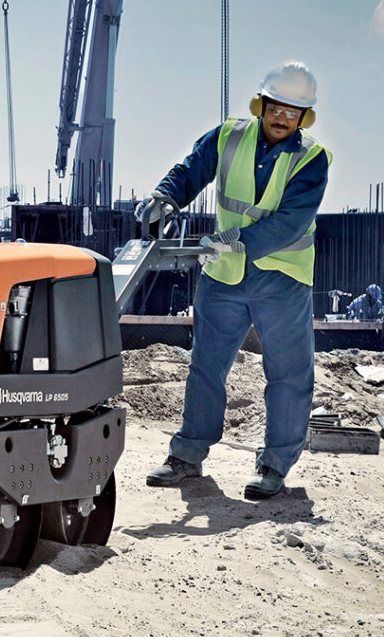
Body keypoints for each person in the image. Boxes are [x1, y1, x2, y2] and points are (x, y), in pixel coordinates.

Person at [136, 61, 331, 498]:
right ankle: (187, 455)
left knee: (288, 374)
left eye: (293, 112)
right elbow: (191, 170)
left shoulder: (312, 159)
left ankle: (275, 466)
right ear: (261, 104)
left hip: (281, 277)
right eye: (276, 107)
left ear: (304, 117)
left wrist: (233, 240)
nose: (282, 118)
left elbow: (289, 224)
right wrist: (165, 198)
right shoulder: (228, 136)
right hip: (224, 276)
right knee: (206, 367)